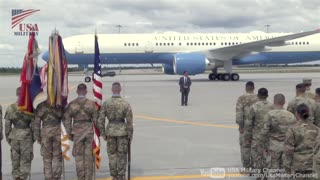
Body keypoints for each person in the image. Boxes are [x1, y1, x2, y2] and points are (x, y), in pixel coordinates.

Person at [97, 82, 133, 180]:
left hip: (111, 131)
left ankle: (114, 175)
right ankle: (121, 175)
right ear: (120, 89)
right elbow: (129, 121)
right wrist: (130, 135)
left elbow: (100, 120)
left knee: (112, 155)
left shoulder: (106, 103)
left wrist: (103, 133)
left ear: (112, 90)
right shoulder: (125, 103)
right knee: (122, 154)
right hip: (122, 132)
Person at [64, 83, 98, 180]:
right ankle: (88, 178)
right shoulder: (92, 104)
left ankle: (81, 177)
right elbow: (96, 120)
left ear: (77, 91)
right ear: (86, 91)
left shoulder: (72, 104)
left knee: (79, 157)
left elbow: (67, 120)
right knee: (89, 157)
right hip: (89, 132)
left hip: (77, 132)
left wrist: (69, 134)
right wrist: (97, 133)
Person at [260, 94, 296, 179]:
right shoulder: (291, 115)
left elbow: (264, 132)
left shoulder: (270, 114)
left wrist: (263, 146)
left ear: (273, 102)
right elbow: (295, 133)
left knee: (273, 170)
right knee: (285, 171)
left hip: (273, 147)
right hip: (287, 147)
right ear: (284, 102)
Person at [4, 87, 34, 180]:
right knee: (25, 160)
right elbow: (34, 125)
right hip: (26, 136)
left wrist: (8, 137)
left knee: (15, 160)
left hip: (14, 137)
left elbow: (7, 125)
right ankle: (23, 178)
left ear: (17, 94)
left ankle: (16, 177)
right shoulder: (29, 108)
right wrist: (33, 138)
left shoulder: (10, 108)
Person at [244, 88, 274, 178]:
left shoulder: (254, 107)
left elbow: (248, 124)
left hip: (257, 136)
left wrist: (247, 137)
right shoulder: (272, 106)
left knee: (257, 157)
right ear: (267, 96)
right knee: (267, 156)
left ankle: (258, 175)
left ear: (258, 96)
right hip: (269, 136)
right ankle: (265, 175)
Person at [283, 104, 319, 179]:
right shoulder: (317, 129)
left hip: (297, 165)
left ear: (297, 114)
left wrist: (287, 167)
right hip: (312, 164)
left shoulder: (292, 129)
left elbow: (288, 150)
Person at [34, 98, 64, 180]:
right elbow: (63, 118)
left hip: (45, 133)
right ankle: (56, 176)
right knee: (56, 156)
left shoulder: (41, 106)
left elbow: (36, 122)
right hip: (57, 132)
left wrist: (37, 136)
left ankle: (48, 177)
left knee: (47, 157)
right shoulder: (59, 105)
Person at [235, 81, 258, 169]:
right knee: (255, 146)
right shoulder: (258, 98)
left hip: (245, 127)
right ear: (253, 88)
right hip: (256, 128)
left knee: (245, 147)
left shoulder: (241, 98)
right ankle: (255, 164)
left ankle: (247, 166)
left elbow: (239, 114)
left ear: (246, 88)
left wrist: (240, 126)